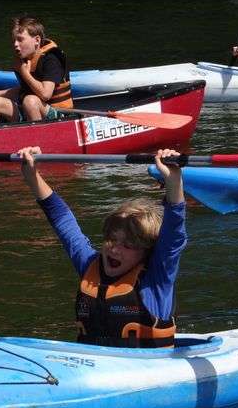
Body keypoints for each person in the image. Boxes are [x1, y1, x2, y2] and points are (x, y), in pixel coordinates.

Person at [17, 146, 186, 348]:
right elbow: (61, 220)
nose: (114, 249)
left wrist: (174, 182)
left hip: (149, 372)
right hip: (94, 368)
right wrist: (31, 173)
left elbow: (174, 236)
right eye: (112, 239)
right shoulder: (90, 265)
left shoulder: (157, 279)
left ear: (146, 251)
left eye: (128, 245)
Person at [0, 16, 73, 126]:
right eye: (14, 40)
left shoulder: (51, 59)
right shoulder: (24, 60)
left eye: (20, 39)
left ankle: (39, 139)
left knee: (30, 101)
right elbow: (25, 90)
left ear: (36, 40)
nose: (15, 45)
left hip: (61, 116)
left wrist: (24, 72)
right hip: (31, 109)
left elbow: (45, 94)